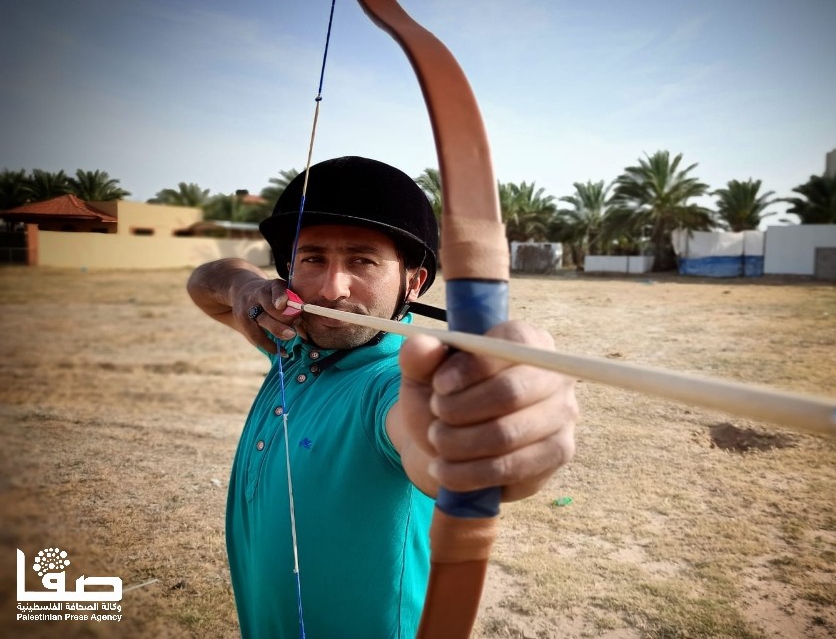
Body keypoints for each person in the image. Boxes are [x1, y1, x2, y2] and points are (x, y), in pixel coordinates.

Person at [187, 156, 578, 637]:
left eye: (362, 261)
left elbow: (428, 438)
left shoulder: (394, 382)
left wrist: (484, 438)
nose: (331, 290)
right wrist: (243, 285)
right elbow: (204, 284)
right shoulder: (289, 343)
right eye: (312, 259)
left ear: (414, 283)